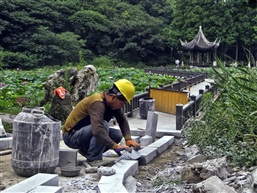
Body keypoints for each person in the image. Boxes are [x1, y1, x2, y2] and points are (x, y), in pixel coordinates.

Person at [62, 79, 140, 167]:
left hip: (83, 133)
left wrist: (128, 139)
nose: (122, 106)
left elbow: (122, 120)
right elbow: (98, 130)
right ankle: (93, 159)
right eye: (122, 103)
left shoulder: (112, 104)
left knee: (117, 135)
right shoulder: (97, 103)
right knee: (103, 125)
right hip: (71, 136)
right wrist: (115, 146)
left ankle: (86, 151)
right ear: (114, 97)